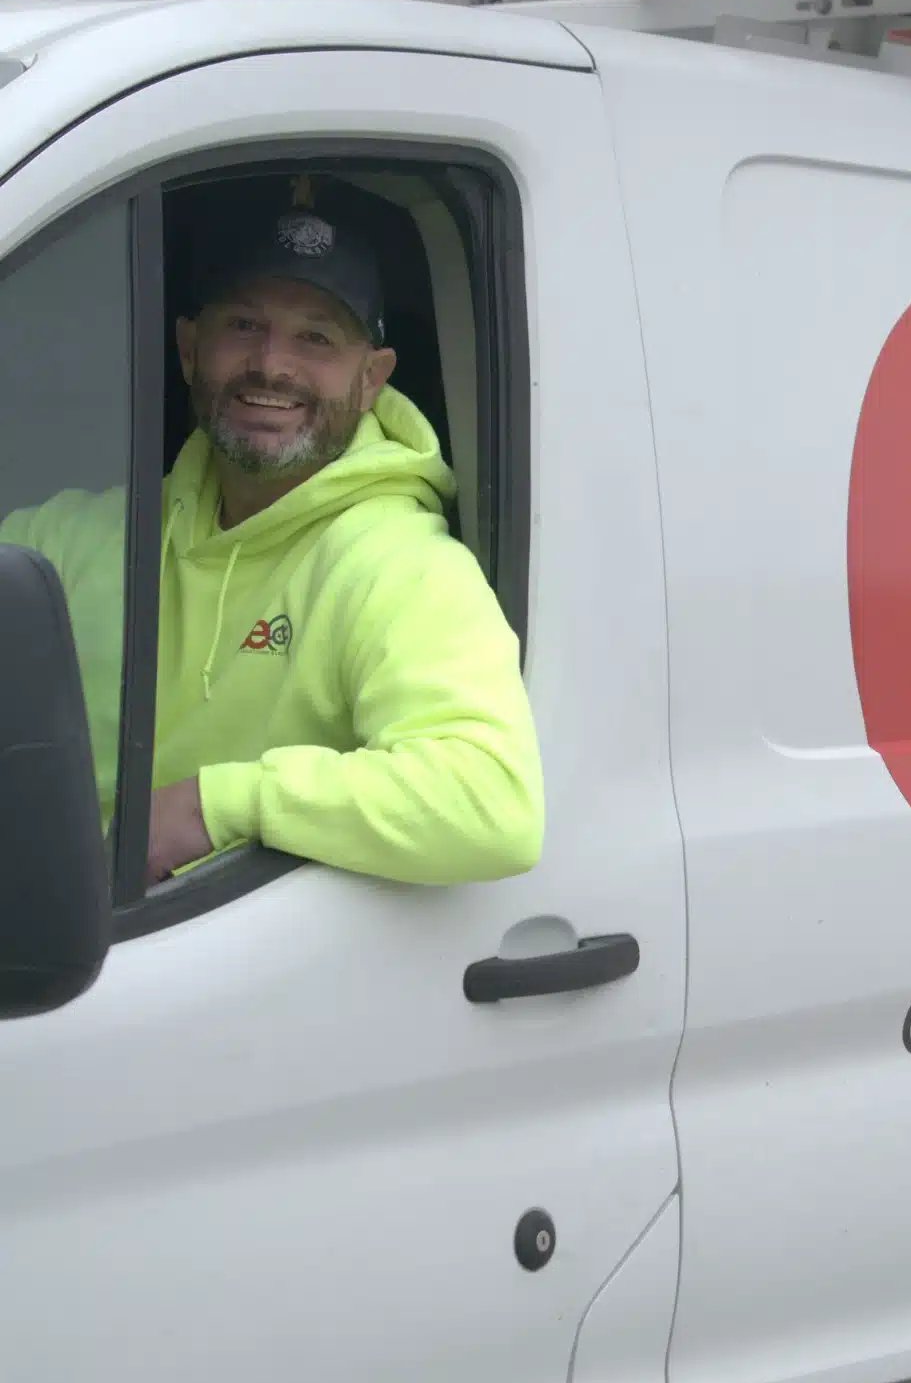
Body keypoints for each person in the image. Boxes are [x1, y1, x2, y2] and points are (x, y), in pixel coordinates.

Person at [0, 175, 544, 888]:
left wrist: (218, 804)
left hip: (217, 969)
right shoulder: (76, 536)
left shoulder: (400, 566)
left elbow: (492, 804)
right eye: (244, 326)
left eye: (316, 337)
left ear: (371, 377)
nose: (271, 365)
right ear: (190, 349)